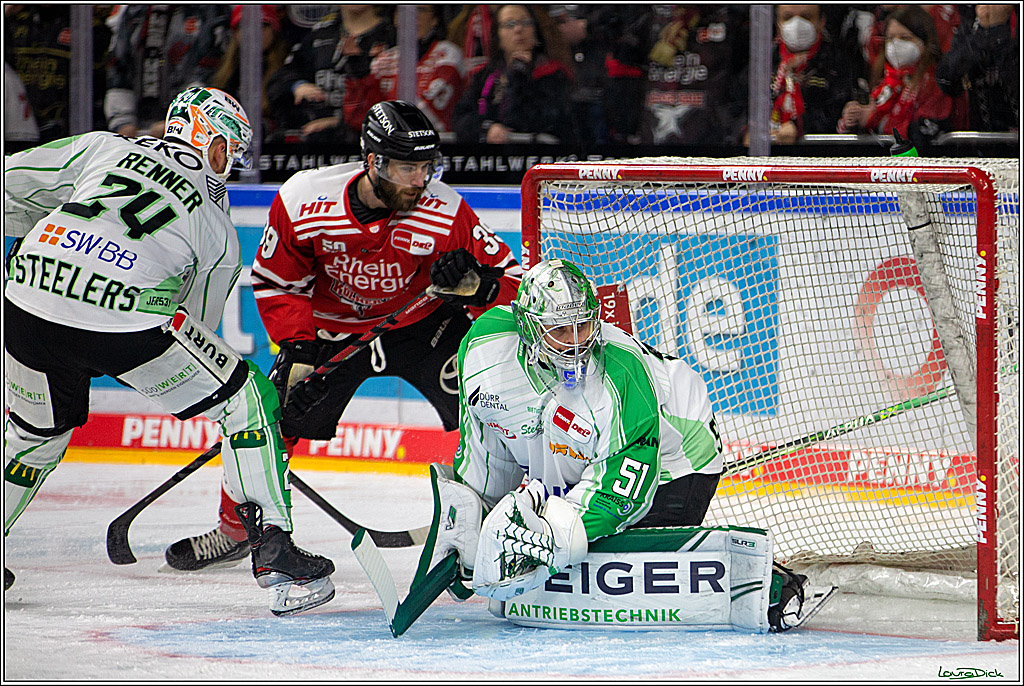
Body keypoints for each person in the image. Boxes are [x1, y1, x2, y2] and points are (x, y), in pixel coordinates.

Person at [3, 87, 335, 616]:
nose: (230, 165)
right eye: (229, 149)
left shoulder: (104, 148)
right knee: (245, 398)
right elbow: (197, 330)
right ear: (204, 135)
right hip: (121, 318)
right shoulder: (217, 226)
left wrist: (23, 252)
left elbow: (9, 185)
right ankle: (273, 547)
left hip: (22, 300)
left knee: (33, 436)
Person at [162, 99, 523, 571]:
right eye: (407, 168)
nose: (421, 181)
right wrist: (299, 344)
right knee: (274, 420)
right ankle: (236, 528)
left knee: (491, 405)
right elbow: (276, 281)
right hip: (332, 335)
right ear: (373, 162)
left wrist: (479, 286)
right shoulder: (305, 200)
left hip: (423, 326)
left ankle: (500, 522)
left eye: (427, 168)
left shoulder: (446, 212)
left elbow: (515, 285)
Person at [412, 259, 810, 631]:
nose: (574, 343)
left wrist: (552, 536)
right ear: (530, 328)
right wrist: (476, 520)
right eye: (560, 330)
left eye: (582, 327)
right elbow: (488, 446)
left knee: (605, 562)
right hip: (579, 453)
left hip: (677, 456)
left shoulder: (618, 376)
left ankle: (765, 579)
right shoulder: (484, 349)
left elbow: (619, 490)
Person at [265, 5, 395, 145]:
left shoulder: (393, 37)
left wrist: (342, 122)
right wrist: (297, 85)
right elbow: (278, 80)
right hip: (314, 143)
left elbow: (397, 104)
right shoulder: (320, 34)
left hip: (370, 142)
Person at [452, 4, 577, 145]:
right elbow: (460, 119)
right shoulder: (485, 75)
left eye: (525, 23)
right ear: (498, 37)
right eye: (509, 24)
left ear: (536, 34)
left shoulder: (553, 74)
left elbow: (529, 121)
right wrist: (487, 129)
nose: (518, 29)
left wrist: (518, 76)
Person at [104, 5, 231, 139]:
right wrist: (123, 122)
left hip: (192, 134)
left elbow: (212, 72)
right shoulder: (134, 10)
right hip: (138, 131)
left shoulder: (210, 9)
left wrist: (178, 120)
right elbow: (119, 69)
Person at [837, 5, 957, 144]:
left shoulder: (937, 82)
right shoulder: (886, 81)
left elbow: (926, 133)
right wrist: (853, 120)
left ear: (924, 42)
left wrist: (879, 123)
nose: (895, 44)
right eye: (890, 38)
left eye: (905, 38)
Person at [346, 5, 465, 133]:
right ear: (395, 19)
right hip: (387, 146)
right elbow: (359, 118)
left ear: (434, 19)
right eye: (404, 11)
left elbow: (424, 116)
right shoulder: (382, 60)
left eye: (421, 10)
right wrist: (359, 77)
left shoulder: (448, 55)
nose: (413, 16)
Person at [766, 5, 858, 144]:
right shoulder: (763, 61)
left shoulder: (838, 63)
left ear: (821, 22)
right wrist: (747, 131)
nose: (796, 24)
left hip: (817, 154)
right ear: (778, 24)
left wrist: (799, 126)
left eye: (806, 17)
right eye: (787, 17)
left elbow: (838, 114)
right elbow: (738, 105)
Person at [209, 5, 291, 138]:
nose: (254, 32)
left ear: (274, 30)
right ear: (235, 33)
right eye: (245, 25)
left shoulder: (289, 68)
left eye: (262, 26)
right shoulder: (225, 73)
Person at [936, 5, 1019, 132]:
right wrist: (983, 31)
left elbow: (1012, 78)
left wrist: (998, 29)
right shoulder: (972, 19)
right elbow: (948, 81)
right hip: (983, 137)